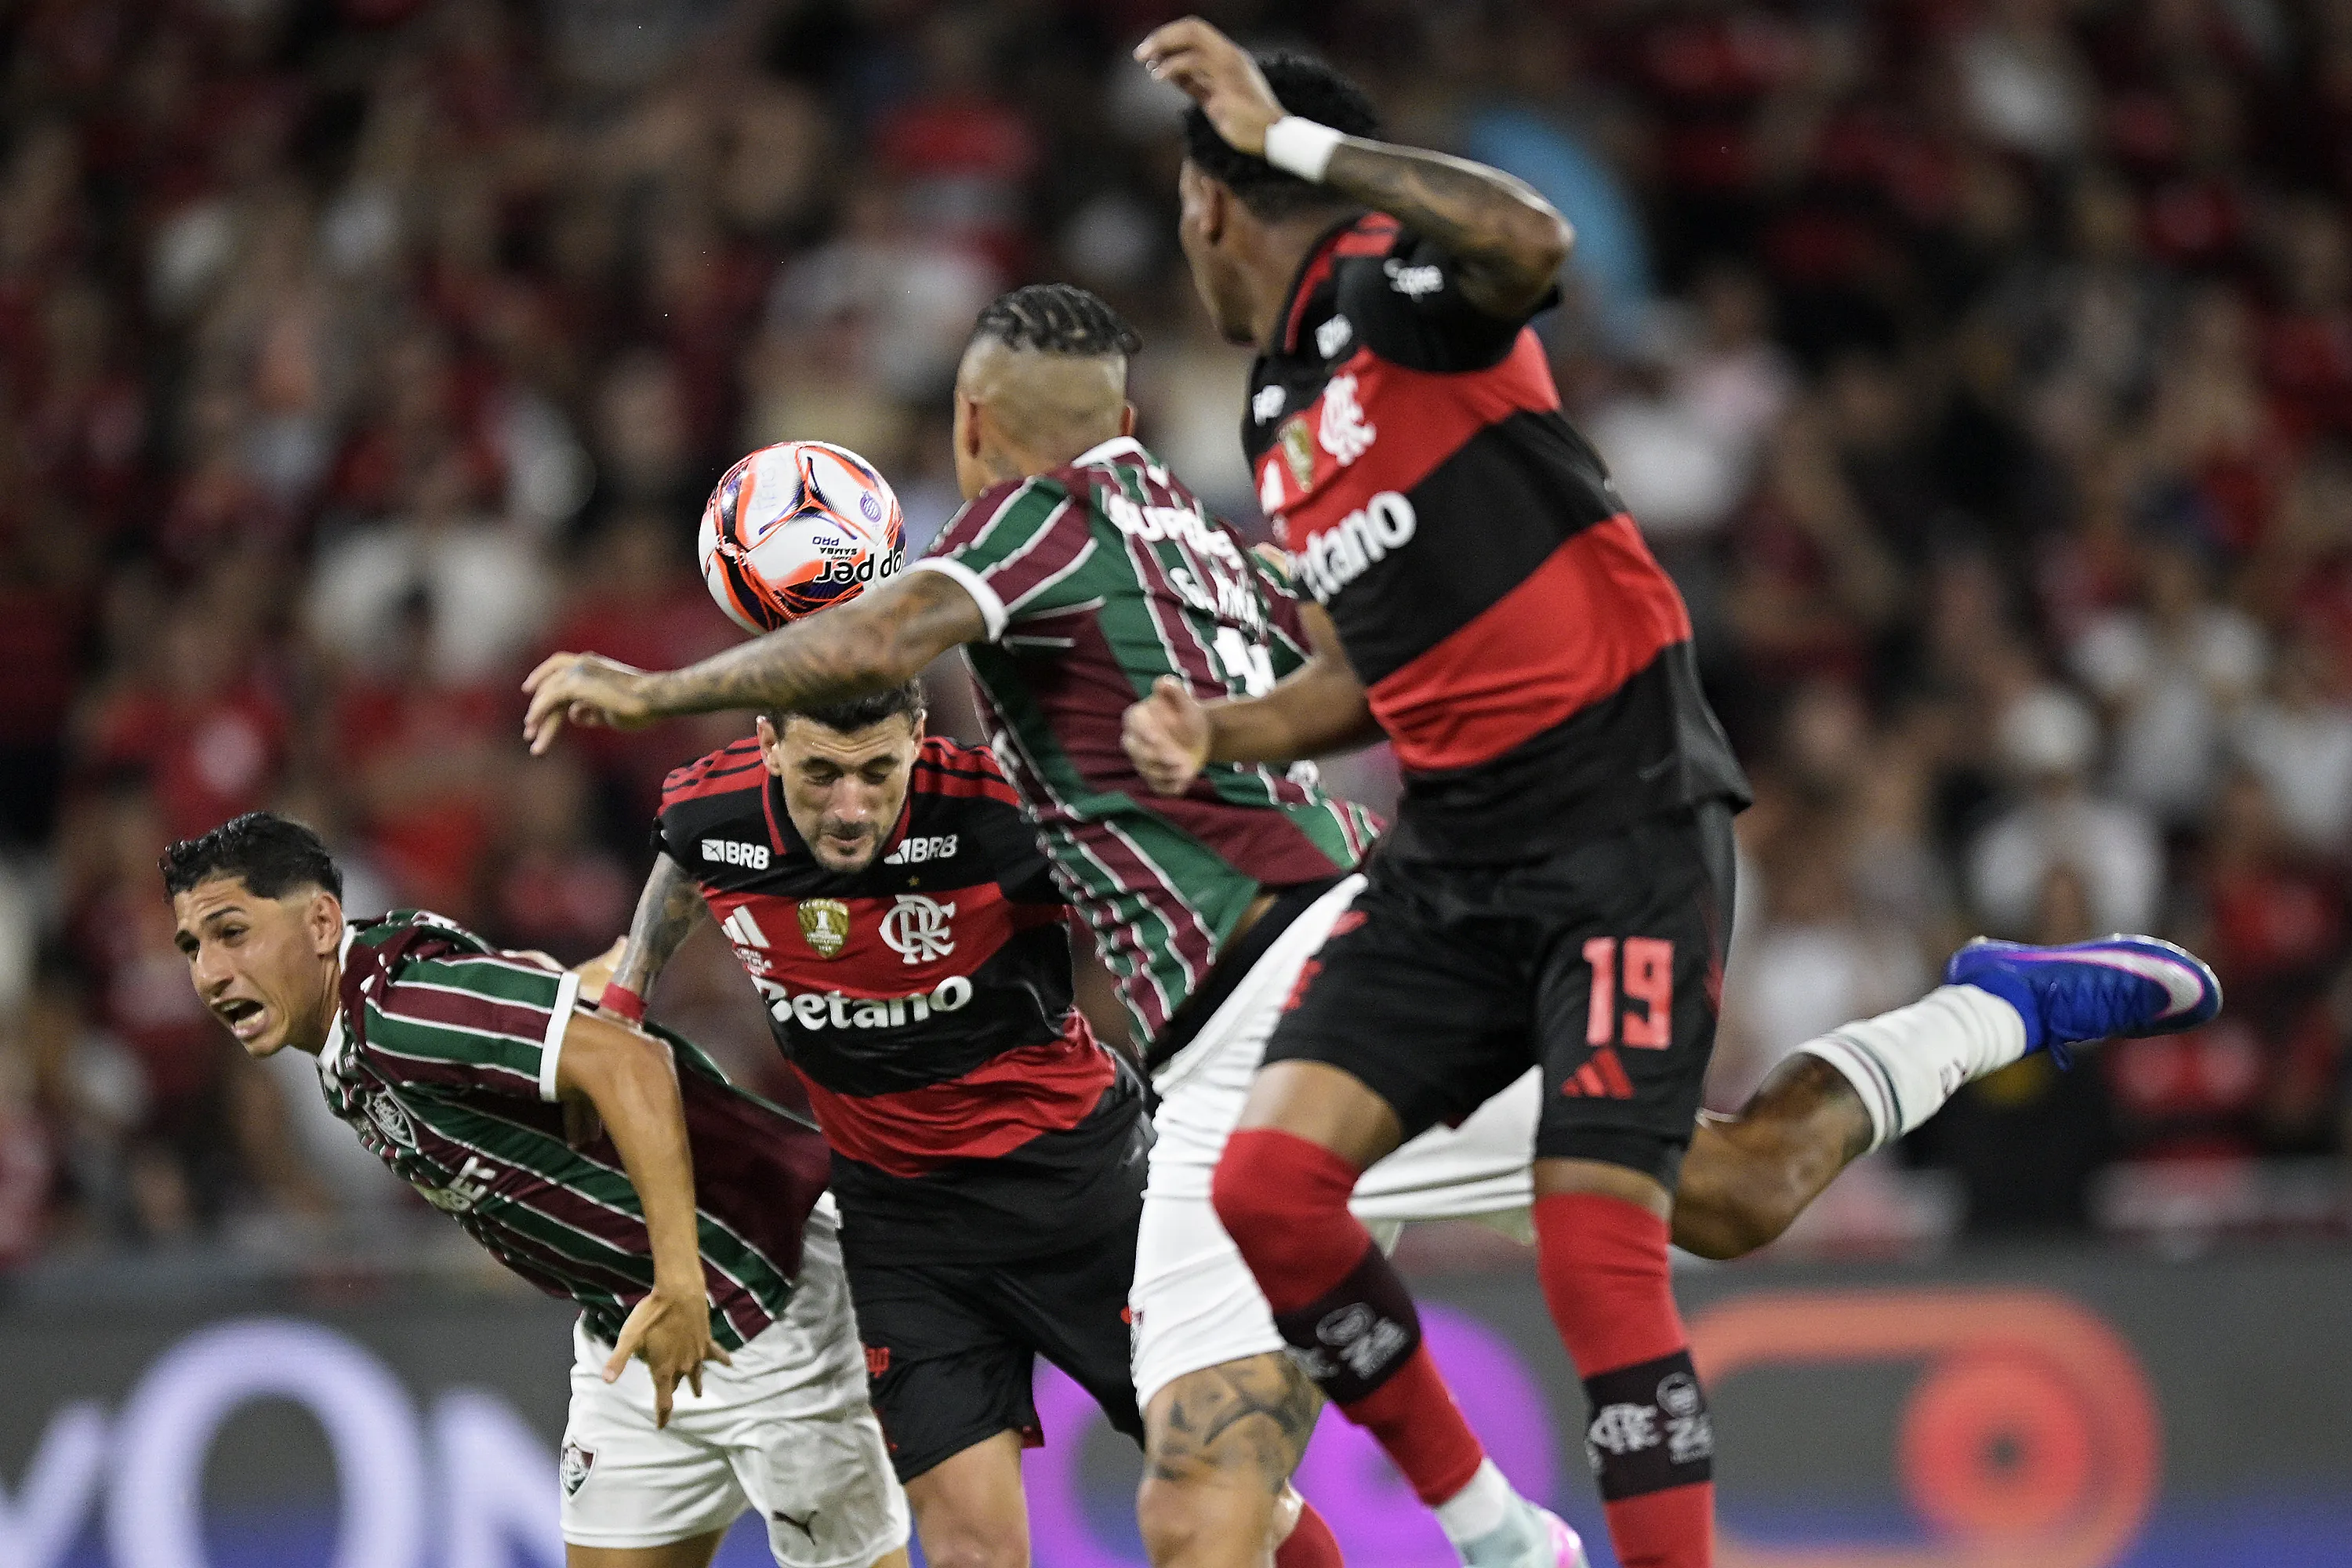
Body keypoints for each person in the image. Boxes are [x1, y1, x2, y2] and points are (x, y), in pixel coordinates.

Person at [515, 284, 2223, 1568]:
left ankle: (1497, 1531)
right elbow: (1370, 670)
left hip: (1297, 1005)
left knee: (1214, 1510)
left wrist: (656, 679)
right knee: (1727, 1190)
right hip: (1288, 1013)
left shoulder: (1045, 523)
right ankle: (1985, 1013)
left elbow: (874, 647)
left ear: (974, 431)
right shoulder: (1211, 538)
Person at [1120, 20, 2222, 1568]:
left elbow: (1534, 236)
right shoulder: (1272, 411)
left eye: (1189, 210)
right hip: (1452, 864)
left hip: (1612, 816)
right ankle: (1498, 1531)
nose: (1189, 252)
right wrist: (1221, 730)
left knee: (1608, 1239)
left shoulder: (1396, 292)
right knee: (1290, 1189)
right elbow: (1364, 672)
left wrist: (1289, 139)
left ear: (1223, 201)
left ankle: (1983, 1016)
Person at [162, 811, 911, 1568]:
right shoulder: (353, 1022)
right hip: (635, 1324)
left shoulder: (397, 1012)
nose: (209, 972)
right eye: (192, 947)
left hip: (759, 1292)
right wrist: (599, 981)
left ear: (322, 922)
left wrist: (682, 1279)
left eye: (233, 933)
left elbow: (633, 1067)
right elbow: (538, 1000)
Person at [599, 679, 1161, 1568]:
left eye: (878, 772)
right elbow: (682, 854)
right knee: (970, 1550)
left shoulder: (1003, 812)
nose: (850, 808)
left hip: (1082, 1192)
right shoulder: (713, 809)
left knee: (1224, 1483)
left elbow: (1159, 885)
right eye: (820, 772)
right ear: (768, 744)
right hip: (907, 1231)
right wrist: (630, 986)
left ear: (922, 740)